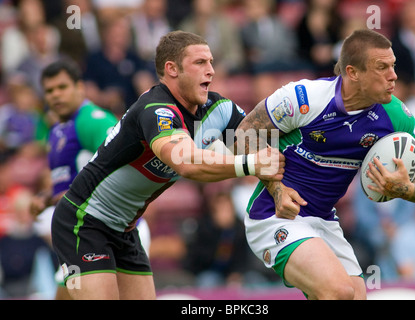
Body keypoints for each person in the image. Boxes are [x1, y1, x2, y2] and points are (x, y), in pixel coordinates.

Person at [50, 30, 284, 300]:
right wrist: (251, 165)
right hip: (83, 222)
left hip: (125, 229)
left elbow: (263, 147)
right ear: (172, 69)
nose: (211, 71)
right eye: (199, 63)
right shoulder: (156, 109)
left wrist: (280, 189)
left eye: (211, 62)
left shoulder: (220, 109)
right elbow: (187, 163)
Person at [237, 29, 415, 300]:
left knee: (354, 296)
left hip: (325, 221)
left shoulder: (396, 117)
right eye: (382, 68)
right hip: (275, 215)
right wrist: (276, 188)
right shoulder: (305, 98)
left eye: (393, 66)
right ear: (353, 72)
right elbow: (245, 132)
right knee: (338, 291)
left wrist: (407, 189)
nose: (393, 76)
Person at [29, 59, 119, 299]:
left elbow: (120, 167)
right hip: (80, 235)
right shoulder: (58, 129)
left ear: (80, 87)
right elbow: (71, 183)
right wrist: (47, 198)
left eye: (62, 87)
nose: (56, 95)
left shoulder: (93, 120)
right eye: (49, 91)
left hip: (106, 234)